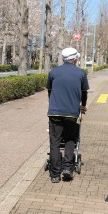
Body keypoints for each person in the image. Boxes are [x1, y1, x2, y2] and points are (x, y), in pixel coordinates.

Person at [46, 47, 90, 183]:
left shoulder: (54, 72)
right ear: (75, 58)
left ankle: (55, 174)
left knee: (55, 142)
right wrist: (83, 105)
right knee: (70, 139)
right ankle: (67, 168)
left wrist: (53, 103)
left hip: (54, 111)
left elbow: (49, 90)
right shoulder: (81, 73)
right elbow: (84, 92)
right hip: (72, 112)